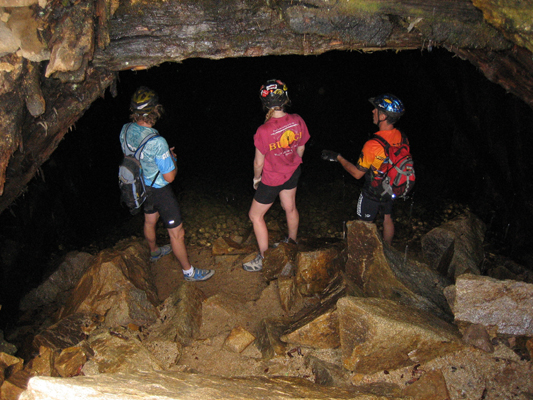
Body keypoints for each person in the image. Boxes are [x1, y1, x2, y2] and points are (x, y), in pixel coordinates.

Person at [120, 86, 214, 281]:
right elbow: (170, 176)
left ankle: (154, 251)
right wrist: (172, 159)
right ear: (156, 111)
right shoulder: (158, 141)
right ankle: (189, 272)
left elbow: (130, 155)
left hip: (140, 186)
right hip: (159, 190)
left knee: (150, 220)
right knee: (177, 233)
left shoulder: (126, 129)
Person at [242, 79, 311, 272]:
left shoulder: (263, 130)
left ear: (264, 103)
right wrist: (291, 163)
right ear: (285, 99)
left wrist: (256, 180)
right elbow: (301, 147)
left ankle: (265, 258)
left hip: (272, 179)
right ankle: (292, 244)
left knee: (255, 215)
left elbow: (258, 163)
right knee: (290, 207)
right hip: (293, 172)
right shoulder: (297, 119)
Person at [321, 93, 406, 246]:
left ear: (384, 116)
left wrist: (339, 158)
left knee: (364, 224)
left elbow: (357, 174)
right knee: (387, 218)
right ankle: (387, 252)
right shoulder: (402, 137)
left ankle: (363, 257)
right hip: (392, 187)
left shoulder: (373, 144)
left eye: (376, 110)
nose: (373, 111)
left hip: (373, 192)